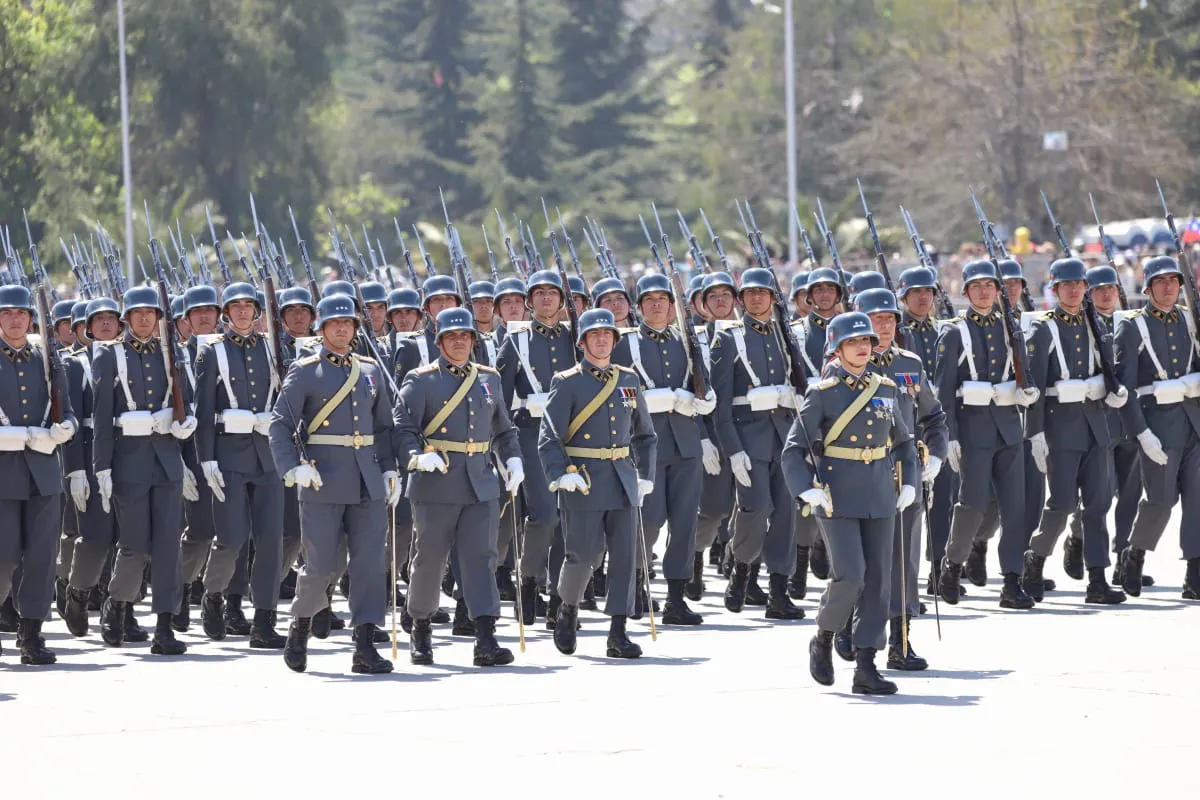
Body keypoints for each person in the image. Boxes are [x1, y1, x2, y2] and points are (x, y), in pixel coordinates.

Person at [782, 311, 917, 694]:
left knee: (878, 580)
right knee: (851, 574)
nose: (862, 348)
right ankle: (824, 636)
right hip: (836, 494)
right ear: (837, 350)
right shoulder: (822, 393)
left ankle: (865, 665)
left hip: (879, 493)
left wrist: (909, 483)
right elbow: (794, 450)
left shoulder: (886, 388)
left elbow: (904, 443)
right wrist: (805, 488)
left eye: (867, 342)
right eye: (853, 342)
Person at [269, 293, 400, 674]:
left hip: (367, 478)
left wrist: (390, 469)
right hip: (322, 477)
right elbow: (280, 423)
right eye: (334, 323)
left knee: (370, 564)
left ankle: (363, 644)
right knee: (321, 564)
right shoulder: (306, 370)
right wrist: (292, 467)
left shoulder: (371, 369)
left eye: (348, 323)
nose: (342, 328)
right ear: (321, 328)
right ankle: (301, 626)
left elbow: (384, 428)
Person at [394, 307, 523, 666]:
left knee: (482, 558)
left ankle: (485, 635)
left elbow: (504, 429)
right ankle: (420, 628)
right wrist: (416, 457)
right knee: (430, 561)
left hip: (480, 481)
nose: (460, 342)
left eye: (465, 336)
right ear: (439, 342)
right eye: (452, 336)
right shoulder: (421, 381)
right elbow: (403, 428)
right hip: (437, 482)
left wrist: (512, 458)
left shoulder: (489, 378)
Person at [537, 308, 657, 658]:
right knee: (583, 555)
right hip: (584, 478)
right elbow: (549, 436)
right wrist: (559, 474)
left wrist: (646, 475)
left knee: (624, 557)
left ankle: (617, 631)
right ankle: (568, 607)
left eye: (608, 334)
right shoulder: (568, 380)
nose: (602, 339)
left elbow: (645, 435)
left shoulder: (628, 380)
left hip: (621, 477)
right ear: (583, 342)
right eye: (595, 335)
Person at [91, 285, 197, 655]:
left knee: (168, 546)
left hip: (166, 461)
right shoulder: (109, 356)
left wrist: (185, 424)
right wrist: (101, 466)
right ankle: (118, 605)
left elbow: (189, 401)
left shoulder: (172, 354)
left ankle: (165, 625)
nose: (145, 319)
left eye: (151, 314)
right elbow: (102, 418)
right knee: (134, 545)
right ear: (126, 319)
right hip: (129, 461)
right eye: (138, 314)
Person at [934, 260, 1038, 609]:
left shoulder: (1011, 328)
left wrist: (1026, 392)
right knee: (972, 506)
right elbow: (944, 390)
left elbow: (1025, 372)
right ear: (965, 292)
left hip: (1009, 428)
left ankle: (1012, 580)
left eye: (990, 286)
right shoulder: (954, 332)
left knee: (1014, 508)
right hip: (973, 431)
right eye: (976, 286)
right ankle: (952, 565)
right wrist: (948, 436)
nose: (984, 291)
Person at [612, 273, 715, 625]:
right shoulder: (625, 345)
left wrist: (703, 401)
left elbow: (702, 386)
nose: (657, 304)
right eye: (649, 300)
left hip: (686, 442)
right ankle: (638, 582)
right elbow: (621, 394)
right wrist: (664, 400)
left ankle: (675, 596)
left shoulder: (686, 343)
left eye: (663, 299)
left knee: (685, 522)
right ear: (639, 308)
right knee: (649, 519)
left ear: (673, 308)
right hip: (645, 443)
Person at [1022, 258, 1126, 605]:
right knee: (1062, 504)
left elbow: (1109, 368)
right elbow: (1035, 388)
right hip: (1061, 429)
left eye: (1079, 284)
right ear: (1054, 289)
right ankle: (1035, 559)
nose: (1073, 290)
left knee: (1097, 505)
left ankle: (1097, 578)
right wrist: (1035, 433)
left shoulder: (1095, 324)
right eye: (1065, 285)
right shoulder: (1044, 329)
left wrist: (1112, 388)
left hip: (1096, 426)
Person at [855, 287, 947, 668]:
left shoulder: (910, 364)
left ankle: (901, 642)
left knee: (905, 561)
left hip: (903, 472)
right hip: (860, 475)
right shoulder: (846, 366)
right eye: (877, 319)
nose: (886, 325)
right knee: (863, 562)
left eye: (890, 318)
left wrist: (937, 454)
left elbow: (933, 416)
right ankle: (853, 630)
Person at [193, 282, 289, 647]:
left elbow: (287, 400)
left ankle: (264, 620)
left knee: (270, 543)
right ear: (226, 314)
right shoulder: (212, 352)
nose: (245, 312)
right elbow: (203, 410)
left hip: (268, 457)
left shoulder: (273, 348)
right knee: (232, 538)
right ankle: (214, 595)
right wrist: (207, 459)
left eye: (250, 306)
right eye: (237, 307)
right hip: (229, 455)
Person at [709, 268, 804, 621]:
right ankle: (742, 570)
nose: (756, 299)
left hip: (785, 436)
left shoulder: (784, 336)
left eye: (762, 293)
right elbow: (721, 404)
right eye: (749, 294)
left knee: (786, 513)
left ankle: (779, 590)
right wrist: (732, 450)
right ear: (741, 299)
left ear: (773, 298)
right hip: (748, 439)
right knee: (755, 509)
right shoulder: (728, 339)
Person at [1113, 255, 1200, 598]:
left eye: (1174, 281)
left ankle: (1195, 574)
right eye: (1161, 282)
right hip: (1159, 427)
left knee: (1197, 501)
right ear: (1147, 287)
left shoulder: (1192, 320)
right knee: (1160, 502)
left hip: (1194, 422)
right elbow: (1125, 390)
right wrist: (1141, 433)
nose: (1168, 287)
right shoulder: (1133, 326)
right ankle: (1134, 554)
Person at [0, 285, 77, 664]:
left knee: (43, 557)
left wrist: (67, 429)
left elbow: (67, 408)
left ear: (31, 319)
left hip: (44, 472)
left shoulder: (46, 357)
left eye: (21, 314)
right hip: (4, 474)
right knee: (4, 556)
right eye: (7, 313)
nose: (15, 320)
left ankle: (30, 633)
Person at [496, 270, 577, 626]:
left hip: (572, 436)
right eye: (539, 293)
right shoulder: (517, 340)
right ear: (530, 300)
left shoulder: (574, 339)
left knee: (568, 518)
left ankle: (560, 596)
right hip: (531, 434)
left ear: (562, 300)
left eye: (552, 293)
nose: (546, 299)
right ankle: (528, 578)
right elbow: (497, 396)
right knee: (543, 514)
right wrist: (524, 406)